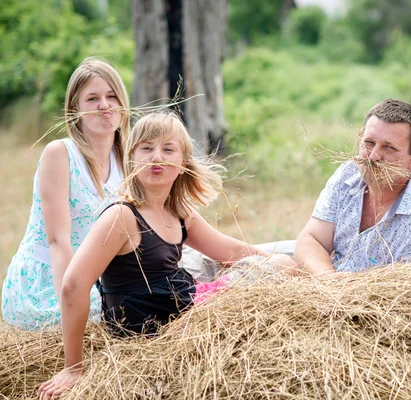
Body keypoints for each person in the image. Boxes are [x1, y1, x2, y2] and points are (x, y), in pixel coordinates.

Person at [38, 112, 294, 398]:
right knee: (279, 265)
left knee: (282, 262)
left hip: (185, 305)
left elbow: (232, 251)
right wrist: (73, 366)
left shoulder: (178, 213)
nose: (157, 156)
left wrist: (271, 261)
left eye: (167, 149)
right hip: (157, 328)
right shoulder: (122, 216)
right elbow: (73, 284)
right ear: (131, 160)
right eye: (146, 148)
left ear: (183, 164)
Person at [2, 58, 130, 329]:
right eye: (92, 98)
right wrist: (74, 301)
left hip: (97, 275)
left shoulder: (127, 159)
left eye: (111, 96)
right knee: (116, 313)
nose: (104, 106)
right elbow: (58, 242)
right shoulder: (60, 154)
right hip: (49, 281)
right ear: (75, 109)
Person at [295, 99, 411, 275]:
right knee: (277, 263)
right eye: (369, 143)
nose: (374, 156)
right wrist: (330, 282)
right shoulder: (348, 175)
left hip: (380, 299)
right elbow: (311, 239)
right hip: (331, 288)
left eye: (388, 148)